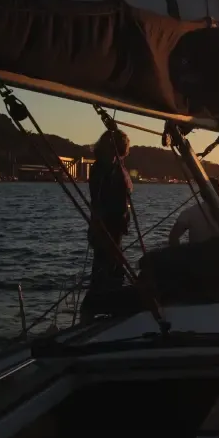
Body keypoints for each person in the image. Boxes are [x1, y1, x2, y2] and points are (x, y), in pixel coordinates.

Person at [81, 129, 132, 321]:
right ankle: (92, 310)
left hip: (112, 228)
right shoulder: (103, 170)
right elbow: (105, 199)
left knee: (113, 270)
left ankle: (106, 308)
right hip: (106, 228)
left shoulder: (109, 167)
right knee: (107, 269)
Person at [169, 177, 219, 245]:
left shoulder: (189, 213)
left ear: (201, 194)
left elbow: (173, 237)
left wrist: (180, 254)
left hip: (197, 254)